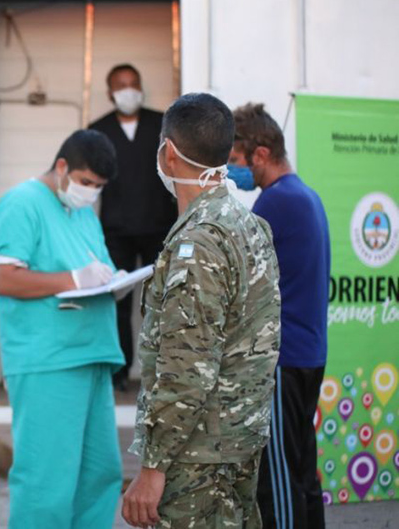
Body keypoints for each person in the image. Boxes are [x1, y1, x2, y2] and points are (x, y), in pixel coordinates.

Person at [122, 93, 281, 529]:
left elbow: (187, 371)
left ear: (169, 153)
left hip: (197, 458)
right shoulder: (249, 224)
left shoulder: (199, 242)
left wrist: (153, 468)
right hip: (238, 441)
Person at [0, 129, 124, 529]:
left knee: (100, 475)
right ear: (62, 167)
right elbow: (5, 278)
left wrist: (113, 281)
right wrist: (74, 279)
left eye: (98, 187)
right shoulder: (22, 203)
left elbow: (96, 268)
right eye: (86, 182)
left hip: (92, 352)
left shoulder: (82, 213)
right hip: (49, 359)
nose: (90, 193)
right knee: (47, 483)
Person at [229, 102, 330, 529]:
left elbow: (241, 281)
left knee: (278, 481)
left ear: (261, 154)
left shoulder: (275, 203)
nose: (231, 171)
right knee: (302, 471)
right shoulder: (307, 195)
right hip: (307, 354)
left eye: (235, 160)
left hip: (280, 359)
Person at [89, 64, 177, 391]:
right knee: (117, 302)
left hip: (158, 227)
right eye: (121, 85)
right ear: (110, 92)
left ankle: (166, 372)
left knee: (164, 298)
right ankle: (119, 371)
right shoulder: (98, 131)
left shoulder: (163, 125)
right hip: (116, 230)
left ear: (141, 87)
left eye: (133, 83)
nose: (128, 90)